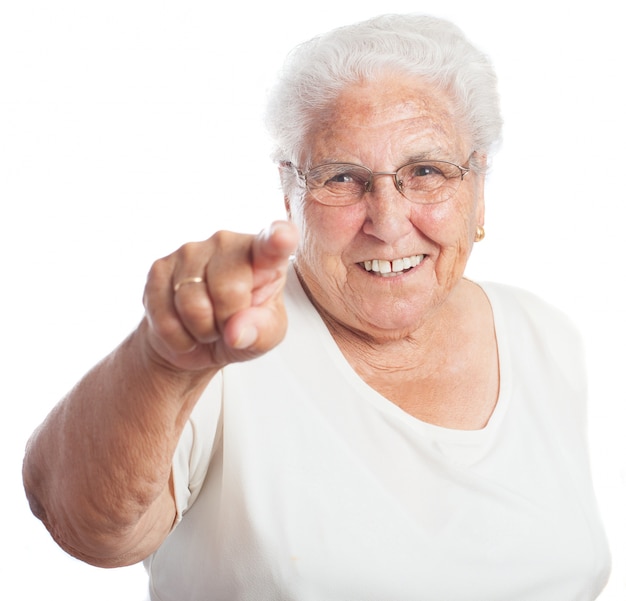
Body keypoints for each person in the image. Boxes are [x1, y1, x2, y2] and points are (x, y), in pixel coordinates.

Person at [23, 13, 611, 600]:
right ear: (290, 192)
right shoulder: (231, 337)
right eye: (344, 178)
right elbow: (83, 527)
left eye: (426, 171)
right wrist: (160, 360)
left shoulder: (546, 337)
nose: (387, 222)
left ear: (478, 188)